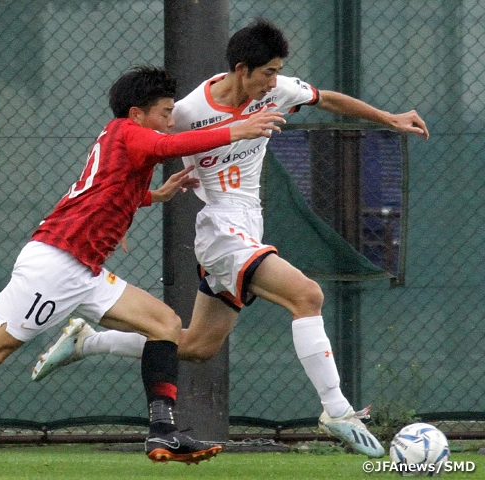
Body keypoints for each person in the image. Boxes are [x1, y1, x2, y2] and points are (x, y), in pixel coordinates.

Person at [32, 20, 430, 459]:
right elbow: (135, 156)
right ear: (242, 69)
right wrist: (126, 212)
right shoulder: (185, 112)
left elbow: (327, 98)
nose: (275, 82)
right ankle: (335, 409)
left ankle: (87, 341)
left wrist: (388, 118)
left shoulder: (274, 93)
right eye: (268, 73)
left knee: (197, 346)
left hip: (248, 225)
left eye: (279, 72)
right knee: (307, 295)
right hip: (221, 230)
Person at [0, 65, 286, 471]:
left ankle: (162, 432)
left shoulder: (125, 139)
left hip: (85, 270)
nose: (172, 121)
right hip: (57, 264)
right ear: (138, 113)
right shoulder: (129, 132)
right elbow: (167, 147)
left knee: (164, 324)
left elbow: (110, 188)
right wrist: (236, 129)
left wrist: (156, 195)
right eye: (165, 112)